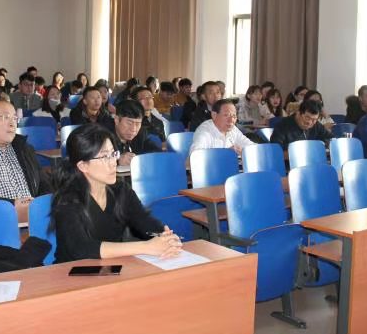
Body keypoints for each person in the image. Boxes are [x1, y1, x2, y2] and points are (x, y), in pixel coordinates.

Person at [50, 123, 182, 263]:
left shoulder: (121, 190)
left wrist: (164, 236)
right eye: (104, 157)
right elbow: (81, 248)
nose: (113, 162)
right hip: (71, 271)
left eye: (113, 154)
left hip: (111, 266)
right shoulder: (67, 200)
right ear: (83, 166)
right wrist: (146, 247)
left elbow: (144, 221)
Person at [190, 99, 255, 155]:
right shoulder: (205, 132)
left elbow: (252, 147)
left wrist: (244, 152)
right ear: (214, 115)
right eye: (226, 115)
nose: (231, 120)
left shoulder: (233, 129)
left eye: (234, 116)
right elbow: (193, 159)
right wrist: (224, 154)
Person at [270, 99, 334, 151]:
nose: (309, 122)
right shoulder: (282, 126)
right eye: (307, 117)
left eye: (314, 119)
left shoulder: (316, 125)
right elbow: (275, 151)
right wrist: (300, 154)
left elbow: (331, 139)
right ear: (298, 113)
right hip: (288, 162)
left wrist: (321, 145)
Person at [111, 100, 161, 166]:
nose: (133, 129)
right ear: (117, 120)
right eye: (129, 123)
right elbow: (97, 162)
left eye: (137, 124)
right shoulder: (103, 137)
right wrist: (117, 161)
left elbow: (157, 153)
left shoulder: (141, 134)